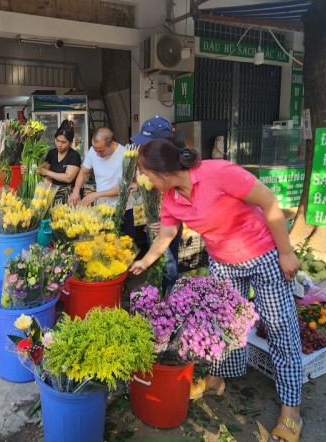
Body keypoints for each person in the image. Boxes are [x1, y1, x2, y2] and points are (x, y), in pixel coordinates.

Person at [128, 140, 303, 442]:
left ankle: (291, 409)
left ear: (162, 171)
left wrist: (286, 252)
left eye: (145, 174)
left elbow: (269, 203)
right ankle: (217, 379)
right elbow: (168, 233)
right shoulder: (170, 198)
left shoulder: (218, 172)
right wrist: (144, 261)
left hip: (263, 255)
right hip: (223, 262)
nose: (145, 181)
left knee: (278, 327)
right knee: (220, 328)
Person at [130, 116, 183, 294]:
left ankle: (169, 299)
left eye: (148, 143)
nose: (144, 148)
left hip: (168, 222)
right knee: (156, 263)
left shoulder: (176, 167)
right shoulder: (152, 161)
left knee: (168, 265)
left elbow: (188, 201)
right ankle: (157, 298)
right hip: (154, 218)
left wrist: (170, 222)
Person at [69, 127, 135, 239]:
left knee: (125, 247)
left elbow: (123, 188)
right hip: (102, 210)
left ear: (112, 143)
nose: (97, 153)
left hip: (123, 211)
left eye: (101, 150)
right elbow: (83, 172)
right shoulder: (93, 151)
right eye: (95, 149)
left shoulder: (126, 155)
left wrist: (95, 195)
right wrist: (76, 191)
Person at [36, 121, 81, 204]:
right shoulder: (51, 153)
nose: (59, 144)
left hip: (68, 198)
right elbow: (44, 173)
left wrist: (47, 172)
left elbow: (68, 178)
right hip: (51, 195)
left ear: (70, 142)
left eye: (63, 142)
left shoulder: (74, 156)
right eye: (57, 140)